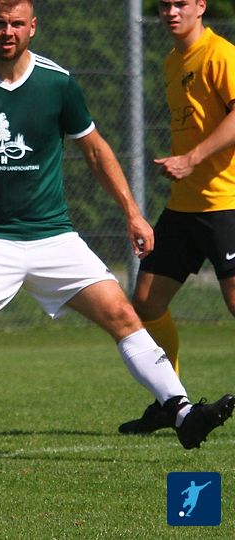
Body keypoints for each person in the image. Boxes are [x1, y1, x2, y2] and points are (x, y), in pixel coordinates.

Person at [0, 0, 233, 460]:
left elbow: (96, 151)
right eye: (0, 23)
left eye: (17, 24)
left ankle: (183, 414)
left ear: (33, 28)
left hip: (53, 236)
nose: (8, 32)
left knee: (122, 315)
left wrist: (132, 212)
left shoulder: (57, 82)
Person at [118, 0, 235, 435]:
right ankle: (172, 403)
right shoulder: (172, 61)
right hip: (184, 206)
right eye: (164, 4)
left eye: (180, 3)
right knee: (146, 303)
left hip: (225, 202)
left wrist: (192, 158)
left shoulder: (221, 54)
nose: (171, 11)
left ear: (201, 6)